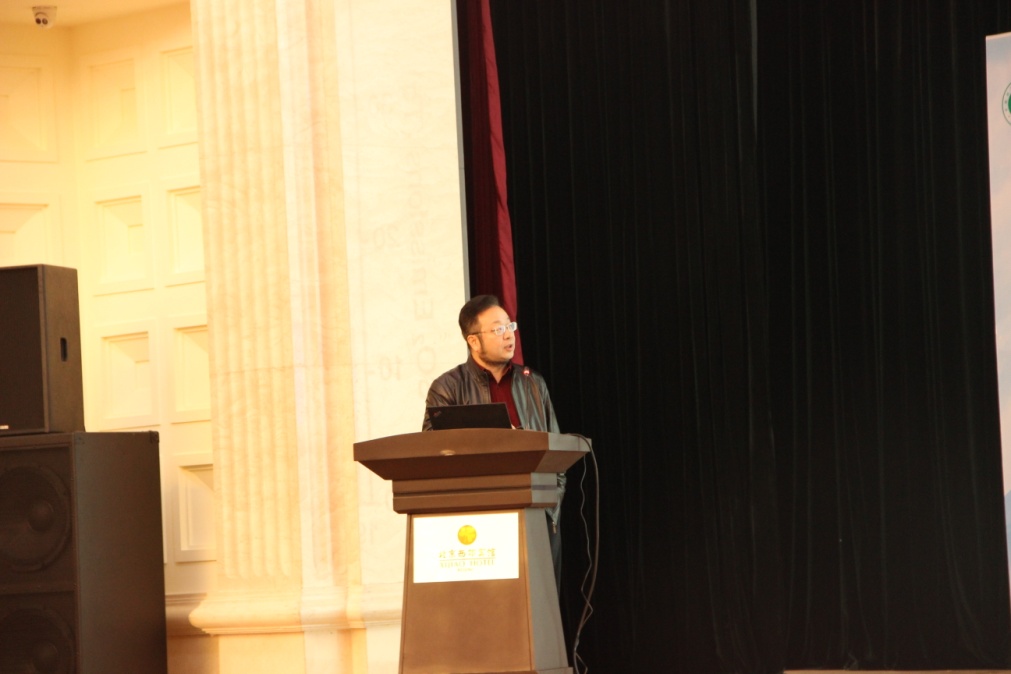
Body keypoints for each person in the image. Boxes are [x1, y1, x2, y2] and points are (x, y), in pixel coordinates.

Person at [423, 294, 566, 587]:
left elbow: (557, 455)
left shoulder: (533, 383)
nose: (509, 335)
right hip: (478, 527)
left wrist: (551, 504)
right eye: (498, 329)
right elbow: (433, 458)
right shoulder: (447, 388)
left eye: (510, 326)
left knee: (539, 606)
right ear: (474, 341)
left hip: (536, 516)